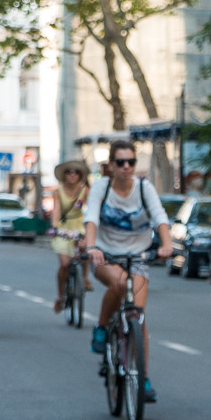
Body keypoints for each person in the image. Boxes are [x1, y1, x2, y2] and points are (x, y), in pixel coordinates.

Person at [83, 142, 173, 404]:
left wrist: (167, 244)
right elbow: (91, 218)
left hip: (139, 257)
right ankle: (101, 327)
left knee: (138, 316)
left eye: (131, 162)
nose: (126, 167)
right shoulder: (102, 186)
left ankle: (142, 378)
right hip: (105, 255)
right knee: (121, 283)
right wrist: (91, 246)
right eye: (120, 162)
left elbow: (160, 217)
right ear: (111, 165)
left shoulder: (144, 188)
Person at [50, 160, 92, 311]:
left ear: (80, 175)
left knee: (85, 249)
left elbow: (90, 209)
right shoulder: (58, 191)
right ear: (64, 175)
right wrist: (55, 227)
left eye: (75, 172)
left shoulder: (85, 190)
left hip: (79, 225)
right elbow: (56, 211)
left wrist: (89, 229)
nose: (72, 175)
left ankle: (85, 278)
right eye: (69, 172)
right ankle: (60, 297)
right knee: (65, 265)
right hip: (63, 227)